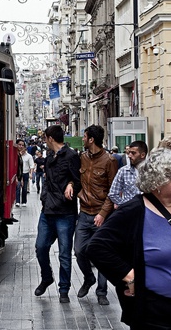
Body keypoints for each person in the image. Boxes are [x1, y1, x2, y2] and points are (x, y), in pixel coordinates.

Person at [87, 148, 171, 329]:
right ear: (158, 180)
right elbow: (96, 247)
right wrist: (131, 277)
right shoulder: (135, 210)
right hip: (155, 313)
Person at [34, 125, 81, 304]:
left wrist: (71, 185)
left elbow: (78, 181)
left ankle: (64, 289)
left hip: (65, 212)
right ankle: (47, 277)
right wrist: (44, 197)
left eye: (46, 138)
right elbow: (47, 180)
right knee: (40, 247)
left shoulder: (71, 156)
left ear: (50, 138)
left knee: (64, 254)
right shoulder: (49, 157)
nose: (45, 141)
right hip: (47, 211)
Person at [74, 125, 118, 305]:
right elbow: (75, 178)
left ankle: (102, 292)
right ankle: (88, 278)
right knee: (79, 250)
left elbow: (113, 191)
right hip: (84, 213)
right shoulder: (82, 158)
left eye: (84, 137)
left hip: (102, 215)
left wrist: (103, 213)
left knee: (102, 253)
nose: (82, 139)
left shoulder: (110, 160)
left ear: (91, 139)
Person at [109, 141, 148, 208]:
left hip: (148, 212)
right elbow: (113, 194)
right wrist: (126, 206)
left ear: (142, 155)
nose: (129, 155)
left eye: (133, 153)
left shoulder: (151, 171)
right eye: (129, 153)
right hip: (130, 213)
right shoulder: (123, 171)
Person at [15, 139, 34, 207]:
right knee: (18, 187)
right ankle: (17, 201)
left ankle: (23, 201)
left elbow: (31, 165)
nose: (21, 146)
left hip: (25, 173)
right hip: (18, 174)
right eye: (19, 145)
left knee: (24, 188)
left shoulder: (29, 156)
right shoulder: (16, 155)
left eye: (22, 145)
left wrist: (31, 174)